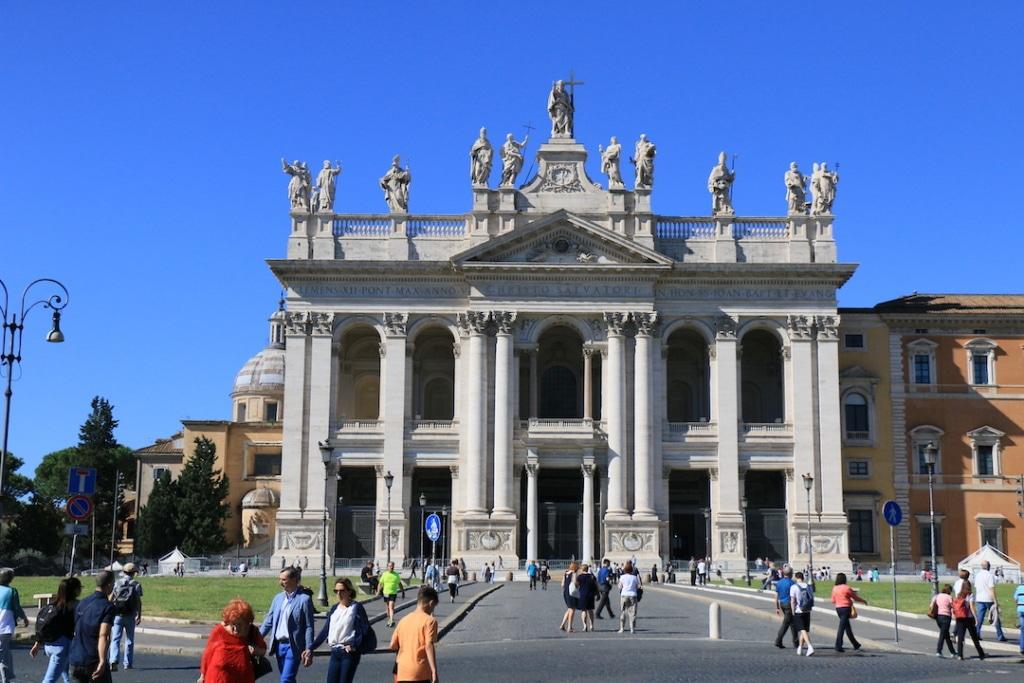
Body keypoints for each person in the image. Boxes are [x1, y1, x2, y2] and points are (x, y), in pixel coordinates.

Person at [258, 567, 315, 683]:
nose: (281, 583)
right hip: (279, 646)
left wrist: (309, 648)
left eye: (284, 580)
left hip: (293, 646)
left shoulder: (304, 599)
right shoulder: (278, 598)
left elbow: (309, 626)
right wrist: (257, 637)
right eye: (280, 579)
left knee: (285, 680)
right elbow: (269, 620)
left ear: (294, 580)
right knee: (289, 679)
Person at [311, 579, 367, 683]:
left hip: (348, 653)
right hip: (335, 652)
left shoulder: (356, 607)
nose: (339, 593)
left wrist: (354, 644)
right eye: (336, 591)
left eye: (342, 590)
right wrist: (311, 648)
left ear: (349, 591)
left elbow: (364, 629)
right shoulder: (334, 608)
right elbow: (325, 630)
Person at [198, 598, 267, 683]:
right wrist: (202, 676)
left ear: (247, 623)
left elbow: (263, 650)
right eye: (233, 623)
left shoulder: (252, 631)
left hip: (243, 678)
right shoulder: (219, 631)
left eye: (240, 624)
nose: (236, 628)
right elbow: (208, 655)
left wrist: (255, 651)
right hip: (219, 678)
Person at [31, 576, 81, 683]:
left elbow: (44, 624)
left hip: (49, 645)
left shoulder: (52, 605)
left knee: (66, 670)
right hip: (61, 646)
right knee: (49, 680)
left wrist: (38, 643)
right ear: (75, 590)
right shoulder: (75, 606)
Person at [69, 570, 117, 683]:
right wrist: (102, 661)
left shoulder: (82, 603)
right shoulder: (108, 607)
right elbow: (103, 635)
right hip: (93, 659)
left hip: (76, 657)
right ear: (109, 585)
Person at [390, 586, 439, 683]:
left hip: (402, 670)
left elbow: (393, 645)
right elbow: (428, 645)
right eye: (434, 607)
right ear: (431, 603)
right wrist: (434, 671)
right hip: (420, 670)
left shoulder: (403, 620)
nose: (432, 610)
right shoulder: (430, 621)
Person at [108, 562, 143, 671]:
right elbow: (138, 601)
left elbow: (111, 598)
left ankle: (113, 660)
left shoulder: (118, 583)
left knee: (115, 638)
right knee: (129, 640)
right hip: (130, 614)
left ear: (124, 572)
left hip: (118, 614)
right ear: (133, 573)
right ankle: (127, 663)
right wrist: (139, 615)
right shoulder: (136, 584)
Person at [0, 567, 29, 682]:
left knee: (6, 653)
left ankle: (8, 676)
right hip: (4, 627)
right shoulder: (12, 591)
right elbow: (17, 608)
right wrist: (25, 618)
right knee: (3, 656)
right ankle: (6, 679)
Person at [830, 572, 866, 652]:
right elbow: (855, 597)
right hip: (846, 609)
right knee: (842, 628)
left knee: (847, 627)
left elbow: (832, 600)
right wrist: (863, 601)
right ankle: (838, 646)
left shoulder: (835, 588)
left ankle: (855, 644)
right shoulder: (846, 588)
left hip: (838, 609)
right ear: (844, 579)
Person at [973, 560, 1007, 641]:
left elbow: (976, 587)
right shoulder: (989, 575)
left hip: (979, 598)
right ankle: (1000, 636)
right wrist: (996, 601)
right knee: (995, 617)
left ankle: (976, 634)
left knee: (980, 618)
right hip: (989, 598)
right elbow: (991, 589)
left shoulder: (977, 575)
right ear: (989, 566)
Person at [952, 578, 985, 660]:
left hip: (960, 618)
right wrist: (976, 618)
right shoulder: (970, 595)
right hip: (969, 618)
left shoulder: (959, 594)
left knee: (960, 637)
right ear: (969, 586)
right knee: (974, 637)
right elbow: (972, 607)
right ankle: (981, 653)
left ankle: (960, 655)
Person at [772, 566, 799, 649]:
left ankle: (796, 642)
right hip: (789, 605)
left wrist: (777, 607)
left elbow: (776, 597)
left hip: (782, 604)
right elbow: (795, 596)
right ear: (791, 574)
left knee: (792, 623)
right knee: (786, 624)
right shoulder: (792, 583)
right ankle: (778, 641)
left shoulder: (779, 583)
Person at [789, 571, 815, 656]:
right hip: (807, 610)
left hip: (799, 610)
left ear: (796, 578)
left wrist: (793, 611)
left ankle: (810, 646)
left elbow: (793, 601)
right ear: (802, 577)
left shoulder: (794, 587)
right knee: (804, 630)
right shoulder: (808, 586)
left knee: (802, 629)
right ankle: (800, 647)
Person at [929, 584, 957, 657]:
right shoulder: (949, 597)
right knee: (942, 634)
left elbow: (931, 605)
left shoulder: (937, 596)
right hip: (946, 617)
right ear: (949, 590)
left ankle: (952, 652)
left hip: (938, 617)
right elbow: (954, 607)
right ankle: (939, 651)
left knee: (946, 634)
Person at [376, 561, 404, 628]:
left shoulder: (396, 575)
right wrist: (378, 591)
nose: (391, 567)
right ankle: (389, 619)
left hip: (393, 593)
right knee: (387, 608)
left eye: (392, 566)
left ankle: (391, 620)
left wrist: (403, 591)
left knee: (391, 606)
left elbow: (400, 584)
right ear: (387, 567)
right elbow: (380, 583)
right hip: (386, 593)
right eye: (390, 566)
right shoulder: (384, 574)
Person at [617, 561, 640, 634]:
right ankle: (632, 628)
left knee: (623, 611)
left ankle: (622, 628)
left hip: (624, 595)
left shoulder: (622, 577)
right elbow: (637, 586)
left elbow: (619, 586)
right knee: (632, 613)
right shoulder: (634, 577)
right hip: (633, 595)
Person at [559, 562, 580, 633]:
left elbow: (562, 584)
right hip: (572, 593)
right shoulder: (574, 573)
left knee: (569, 609)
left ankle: (562, 624)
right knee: (572, 610)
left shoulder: (566, 573)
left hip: (566, 592)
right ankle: (569, 627)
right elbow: (575, 583)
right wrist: (578, 584)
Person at [576, 564, 598, 632]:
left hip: (582, 594)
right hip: (591, 594)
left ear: (582, 569)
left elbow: (576, 585)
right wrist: (597, 593)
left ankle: (584, 625)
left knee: (583, 610)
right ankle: (591, 625)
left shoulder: (579, 577)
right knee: (590, 610)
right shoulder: (592, 576)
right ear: (587, 569)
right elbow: (596, 585)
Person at [1013, 575, 1024, 655]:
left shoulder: (1019, 588)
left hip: (1020, 609)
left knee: (1023, 630)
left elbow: (1015, 598)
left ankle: (1022, 648)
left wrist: (1018, 605)